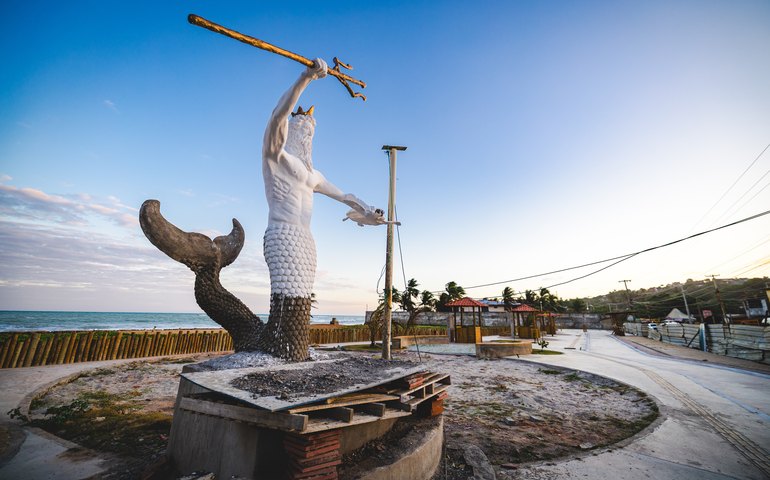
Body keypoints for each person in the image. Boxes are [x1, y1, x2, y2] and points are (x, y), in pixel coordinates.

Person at [259, 58, 380, 360]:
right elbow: (276, 117)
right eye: (303, 129)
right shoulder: (277, 157)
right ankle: (282, 350)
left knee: (300, 299)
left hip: (305, 240)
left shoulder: (314, 175)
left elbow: (345, 196)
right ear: (293, 130)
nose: (308, 136)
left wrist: (368, 213)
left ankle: (293, 350)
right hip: (282, 233)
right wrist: (306, 77)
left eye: (311, 132)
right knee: (287, 297)